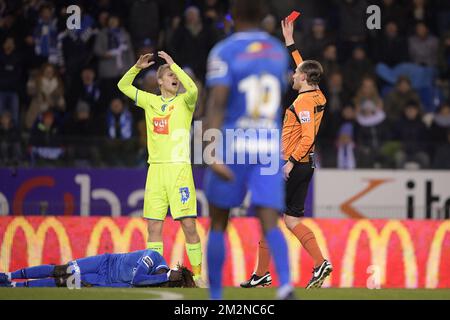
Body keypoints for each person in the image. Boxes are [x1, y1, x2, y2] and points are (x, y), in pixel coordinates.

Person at [203, 0, 293, 300]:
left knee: (218, 222)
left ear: (233, 16)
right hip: (267, 145)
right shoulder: (278, 52)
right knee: (270, 221)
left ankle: (215, 296)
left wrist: (210, 150)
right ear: (263, 16)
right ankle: (285, 287)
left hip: (233, 145)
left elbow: (217, 102)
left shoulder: (223, 51)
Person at [240, 18, 332, 290]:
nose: (293, 75)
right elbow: (304, 68)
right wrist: (290, 43)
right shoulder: (318, 96)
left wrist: (289, 163)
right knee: (291, 220)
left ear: (303, 78)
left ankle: (261, 275)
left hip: (292, 163)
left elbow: (307, 136)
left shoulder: (303, 101)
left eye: (296, 73)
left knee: (268, 216)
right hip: (308, 165)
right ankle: (319, 263)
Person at [117, 51, 203, 285]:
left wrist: (174, 64)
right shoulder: (150, 101)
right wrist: (136, 67)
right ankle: (157, 274)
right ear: (160, 81)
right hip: (155, 170)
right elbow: (122, 85)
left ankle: (196, 275)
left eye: (176, 75)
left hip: (179, 170)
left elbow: (193, 89)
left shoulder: (185, 102)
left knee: (188, 224)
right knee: (154, 226)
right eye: (170, 75)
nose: (175, 77)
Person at [0, 249, 195, 288]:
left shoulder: (154, 281)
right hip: (104, 263)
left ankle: (16, 288)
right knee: (62, 270)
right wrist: (166, 276)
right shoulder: (153, 257)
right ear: (168, 271)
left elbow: (127, 286)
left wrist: (97, 287)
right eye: (166, 279)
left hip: (104, 280)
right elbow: (137, 279)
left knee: (64, 282)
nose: (162, 282)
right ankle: (9, 276)